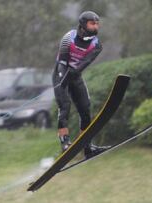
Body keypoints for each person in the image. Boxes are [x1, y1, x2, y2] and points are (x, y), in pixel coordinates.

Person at [52, 11, 110, 157]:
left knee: (85, 109)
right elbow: (62, 62)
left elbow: (86, 62)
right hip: (61, 73)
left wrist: (75, 71)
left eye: (97, 23)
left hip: (76, 75)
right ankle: (65, 142)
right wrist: (63, 79)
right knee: (65, 106)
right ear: (84, 24)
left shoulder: (96, 44)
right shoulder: (68, 38)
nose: (96, 26)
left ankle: (87, 146)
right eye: (92, 23)